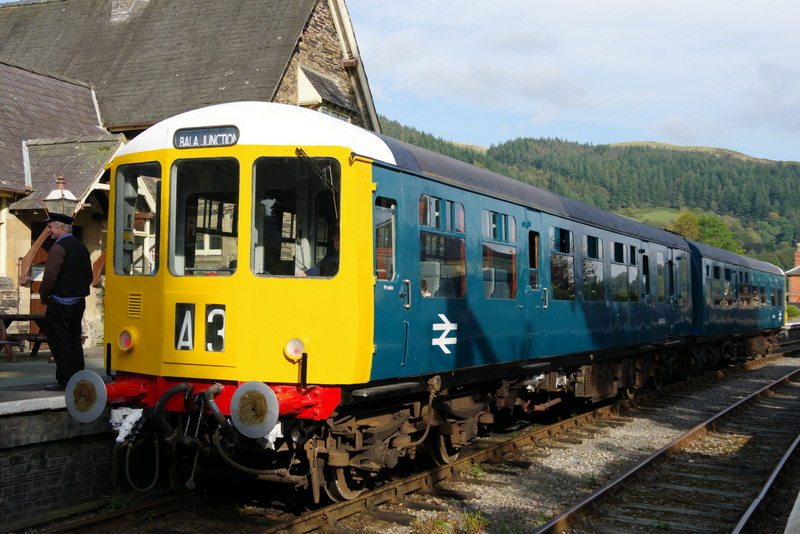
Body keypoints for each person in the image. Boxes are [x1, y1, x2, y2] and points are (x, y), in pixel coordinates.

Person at [39, 213, 93, 391]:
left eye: (51, 227)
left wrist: (44, 296)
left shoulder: (58, 247)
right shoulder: (81, 247)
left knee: (59, 341)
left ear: (62, 227)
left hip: (60, 302)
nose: (49, 231)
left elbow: (50, 277)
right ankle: (78, 376)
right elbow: (90, 275)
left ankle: (64, 380)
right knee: (73, 340)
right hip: (78, 301)